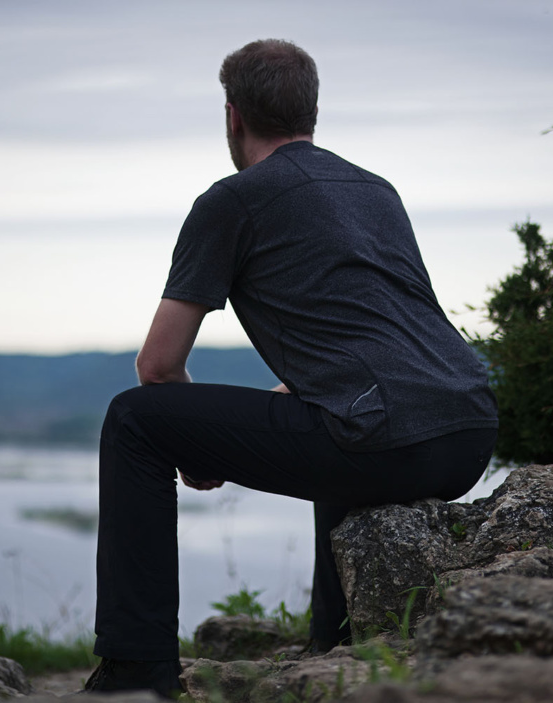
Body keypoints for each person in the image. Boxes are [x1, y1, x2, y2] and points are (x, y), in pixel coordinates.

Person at [85, 39, 498, 697]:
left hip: (381, 436)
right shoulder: (375, 190)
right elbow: (383, 340)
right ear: (311, 111)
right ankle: (333, 643)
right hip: (468, 431)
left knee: (134, 419)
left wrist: (198, 449)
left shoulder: (233, 201)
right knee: (335, 422)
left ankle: (137, 670)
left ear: (233, 118)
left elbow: (158, 368)